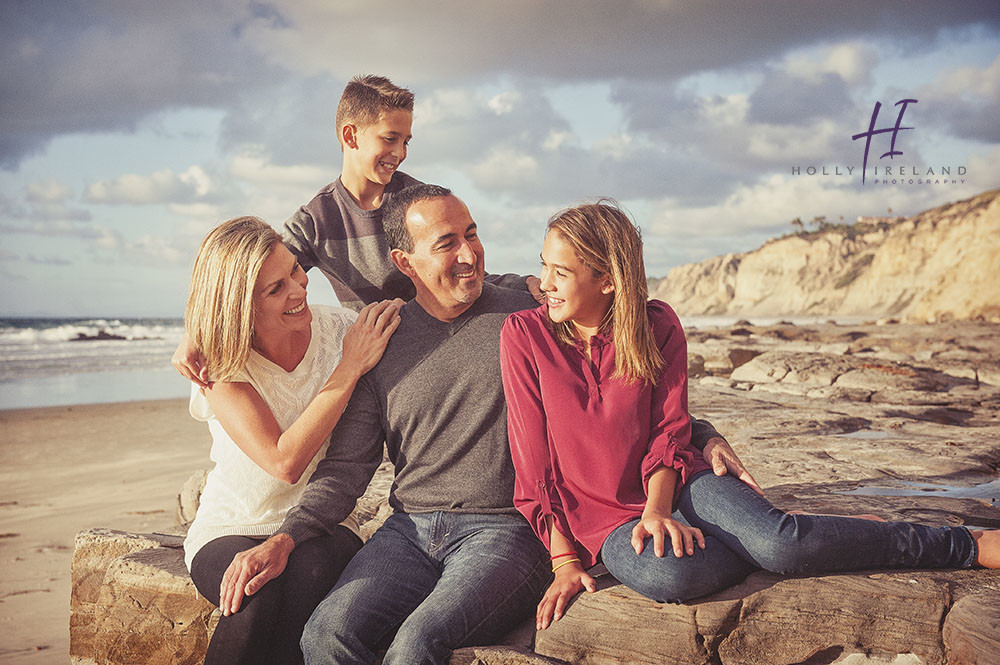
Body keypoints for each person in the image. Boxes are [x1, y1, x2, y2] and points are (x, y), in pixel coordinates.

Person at [216, 185, 751, 665]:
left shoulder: (533, 317)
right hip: (408, 530)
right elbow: (347, 468)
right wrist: (286, 539)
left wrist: (703, 435)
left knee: (415, 645)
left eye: (472, 234)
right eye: (447, 243)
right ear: (405, 261)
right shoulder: (381, 338)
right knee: (326, 636)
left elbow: (629, 386)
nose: (469, 254)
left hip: (508, 531)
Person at [499, 199, 1000, 632]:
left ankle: (961, 544)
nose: (543, 283)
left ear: (607, 280)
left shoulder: (657, 325)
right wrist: (564, 559)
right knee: (670, 577)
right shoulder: (524, 335)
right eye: (544, 266)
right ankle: (820, 539)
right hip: (601, 518)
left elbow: (668, 431)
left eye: (559, 273)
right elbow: (534, 464)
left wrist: (657, 509)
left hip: (678, 482)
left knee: (780, 545)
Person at [173, 74, 536, 388]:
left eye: (407, 141)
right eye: (390, 138)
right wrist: (197, 332)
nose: (401, 152)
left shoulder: (417, 204)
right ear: (350, 136)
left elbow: (466, 270)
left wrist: (526, 285)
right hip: (380, 361)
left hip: (448, 340)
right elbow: (251, 276)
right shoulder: (317, 219)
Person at [182, 216, 401, 665]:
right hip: (233, 525)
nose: (300, 290)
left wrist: (526, 285)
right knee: (251, 595)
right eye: (275, 289)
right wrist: (349, 368)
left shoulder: (344, 331)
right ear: (239, 305)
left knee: (308, 578)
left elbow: (426, 300)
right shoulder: (219, 365)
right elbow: (284, 461)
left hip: (322, 523)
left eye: (296, 271)